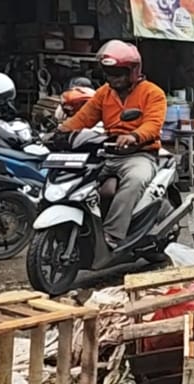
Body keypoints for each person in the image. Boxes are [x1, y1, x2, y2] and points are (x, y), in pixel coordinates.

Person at [58, 40, 167, 245]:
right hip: (107, 153)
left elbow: (153, 124)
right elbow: (83, 118)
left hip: (139, 154)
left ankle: (113, 234)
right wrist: (59, 132)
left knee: (135, 180)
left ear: (133, 71)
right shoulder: (103, 93)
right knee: (77, 179)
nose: (113, 78)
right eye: (109, 73)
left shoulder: (153, 93)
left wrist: (134, 136)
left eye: (118, 73)